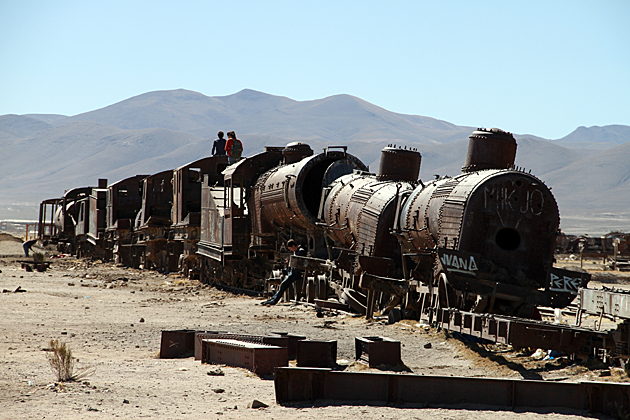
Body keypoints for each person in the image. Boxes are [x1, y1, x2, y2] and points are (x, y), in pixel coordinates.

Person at [260, 239, 307, 305]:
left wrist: (292, 260)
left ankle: (274, 300)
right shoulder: (297, 251)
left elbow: (299, 259)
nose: (290, 250)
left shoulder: (301, 251)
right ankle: (273, 299)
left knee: (283, 285)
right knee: (283, 285)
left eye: (290, 248)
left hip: (297, 272)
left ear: (293, 246)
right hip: (293, 271)